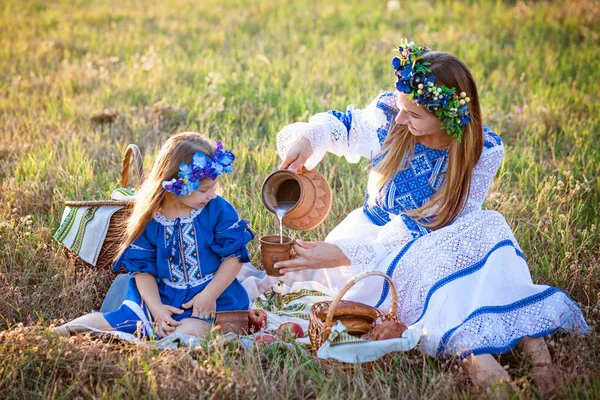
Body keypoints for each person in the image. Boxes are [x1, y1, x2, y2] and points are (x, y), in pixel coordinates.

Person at [239, 41, 588, 391]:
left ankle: (539, 356)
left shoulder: (482, 150)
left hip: (438, 237)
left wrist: (341, 254)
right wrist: (308, 141)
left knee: (490, 226)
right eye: (402, 108)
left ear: (446, 118)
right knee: (452, 284)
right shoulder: (391, 116)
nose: (401, 118)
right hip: (375, 243)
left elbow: (437, 221)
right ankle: (486, 367)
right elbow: (341, 126)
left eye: (414, 114)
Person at [56, 132, 254, 339]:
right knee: (115, 321)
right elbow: (143, 270)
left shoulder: (217, 209)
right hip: (163, 295)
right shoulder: (150, 218)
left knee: (192, 331)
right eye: (204, 189)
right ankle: (49, 334)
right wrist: (157, 308)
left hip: (213, 295)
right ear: (177, 185)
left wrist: (210, 294)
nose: (212, 194)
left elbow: (235, 256)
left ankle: (166, 341)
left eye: (214, 187)